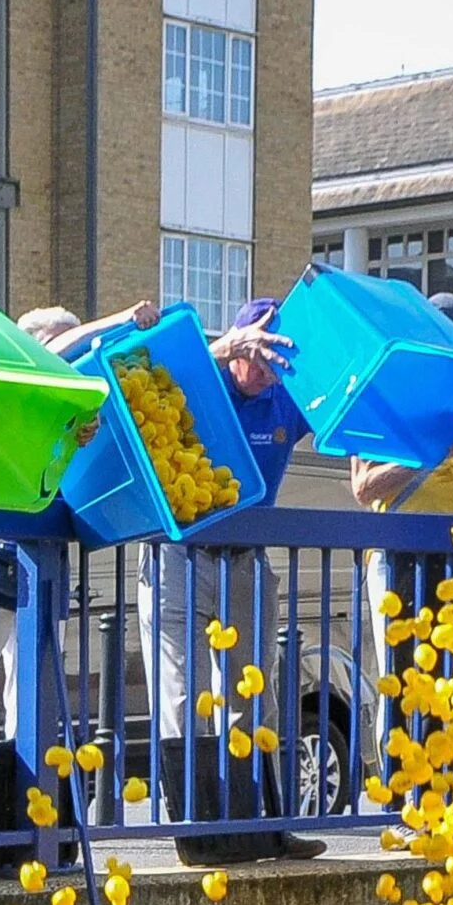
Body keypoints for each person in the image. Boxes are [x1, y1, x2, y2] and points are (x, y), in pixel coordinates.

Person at [143, 296, 322, 867]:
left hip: (245, 560)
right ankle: (197, 835)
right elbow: (144, 372)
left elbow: (340, 404)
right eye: (259, 348)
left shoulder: (283, 399)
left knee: (252, 695)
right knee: (182, 695)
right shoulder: (200, 381)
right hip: (178, 555)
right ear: (238, 345)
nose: (268, 362)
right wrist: (222, 350)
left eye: (277, 351)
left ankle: (264, 829)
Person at [0, 301, 147, 748]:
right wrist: (118, 318)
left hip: (44, 567)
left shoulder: (76, 415)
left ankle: (24, 806)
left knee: (31, 703)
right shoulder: (10, 386)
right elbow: (54, 354)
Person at [350, 292, 453, 764]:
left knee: (449, 674)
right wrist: (429, 454)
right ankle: (401, 796)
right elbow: (364, 488)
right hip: (395, 552)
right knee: (399, 677)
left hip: (448, 550)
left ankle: (440, 790)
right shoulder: (382, 396)